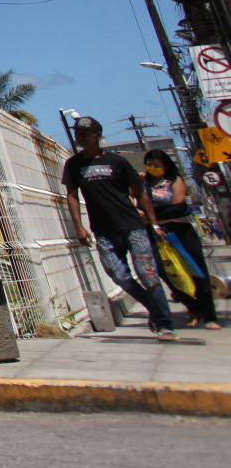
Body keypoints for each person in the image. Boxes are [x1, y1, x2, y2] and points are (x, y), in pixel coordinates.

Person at [62, 118, 176, 340]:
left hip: (133, 227)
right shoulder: (73, 165)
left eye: (85, 133)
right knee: (118, 275)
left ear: (97, 135)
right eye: (78, 133)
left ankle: (165, 324)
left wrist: (153, 223)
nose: (80, 137)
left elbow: (140, 193)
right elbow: (72, 196)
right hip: (104, 231)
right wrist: (79, 227)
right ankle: (154, 308)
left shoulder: (118, 162)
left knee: (149, 275)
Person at [143, 148, 221, 329]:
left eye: (157, 165)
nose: (153, 168)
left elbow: (178, 206)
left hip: (180, 229)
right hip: (156, 232)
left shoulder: (174, 180)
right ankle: (193, 307)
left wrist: (150, 215)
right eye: (150, 165)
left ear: (166, 166)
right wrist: (152, 218)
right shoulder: (144, 184)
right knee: (164, 271)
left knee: (196, 270)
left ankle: (210, 315)